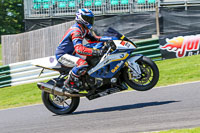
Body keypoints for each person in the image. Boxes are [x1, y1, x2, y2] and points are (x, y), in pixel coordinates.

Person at [55, 8, 118, 93]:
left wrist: (110, 38)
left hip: (71, 53)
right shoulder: (76, 31)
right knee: (82, 64)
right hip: (63, 55)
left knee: (90, 60)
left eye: (90, 19)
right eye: (87, 18)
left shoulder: (83, 29)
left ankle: (87, 82)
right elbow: (79, 49)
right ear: (81, 18)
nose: (90, 21)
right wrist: (96, 52)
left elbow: (93, 39)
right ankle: (69, 83)